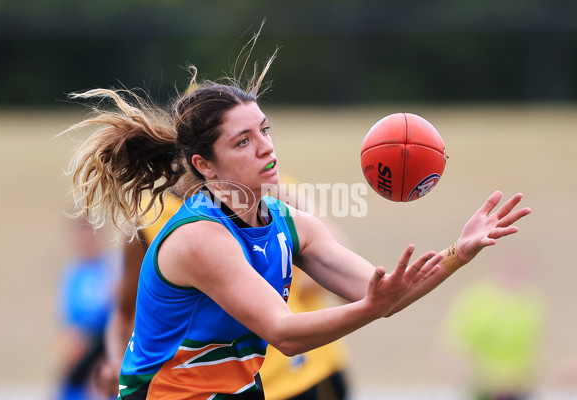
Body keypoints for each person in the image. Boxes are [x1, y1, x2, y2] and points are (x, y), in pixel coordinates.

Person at [61, 46, 531, 399]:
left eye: (264, 130)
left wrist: (458, 253)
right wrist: (372, 306)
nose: (265, 146)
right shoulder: (198, 238)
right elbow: (283, 333)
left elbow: (383, 292)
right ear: (205, 165)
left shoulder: (291, 224)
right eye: (242, 141)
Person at [96, 177, 351, 400]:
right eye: (241, 140)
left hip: (303, 375)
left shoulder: (269, 189)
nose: (262, 147)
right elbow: (124, 313)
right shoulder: (151, 216)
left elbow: (336, 263)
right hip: (224, 388)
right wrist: (117, 362)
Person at [440, 250, 545, 400]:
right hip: (482, 386)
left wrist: (522, 378)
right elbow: (457, 340)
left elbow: (532, 347)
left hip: (517, 386)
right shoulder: (477, 299)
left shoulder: (532, 301)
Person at [55, 217, 121, 400]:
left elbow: (120, 314)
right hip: (82, 352)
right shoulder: (72, 274)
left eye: (92, 232)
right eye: (83, 233)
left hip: (106, 348)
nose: (87, 239)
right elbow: (68, 324)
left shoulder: (113, 268)